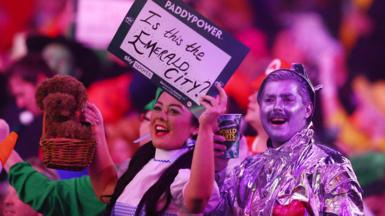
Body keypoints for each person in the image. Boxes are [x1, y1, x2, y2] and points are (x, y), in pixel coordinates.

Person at [208, 64, 364, 215]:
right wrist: (206, 135)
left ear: (308, 109)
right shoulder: (245, 171)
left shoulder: (331, 167)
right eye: (269, 100)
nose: (277, 107)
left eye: (288, 99)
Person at [86, 83, 227, 215]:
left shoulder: (186, 174)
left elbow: (197, 200)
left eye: (173, 111)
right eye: (158, 108)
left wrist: (206, 128)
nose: (160, 116)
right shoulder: (144, 158)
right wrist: (96, 131)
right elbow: (107, 190)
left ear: (195, 127)